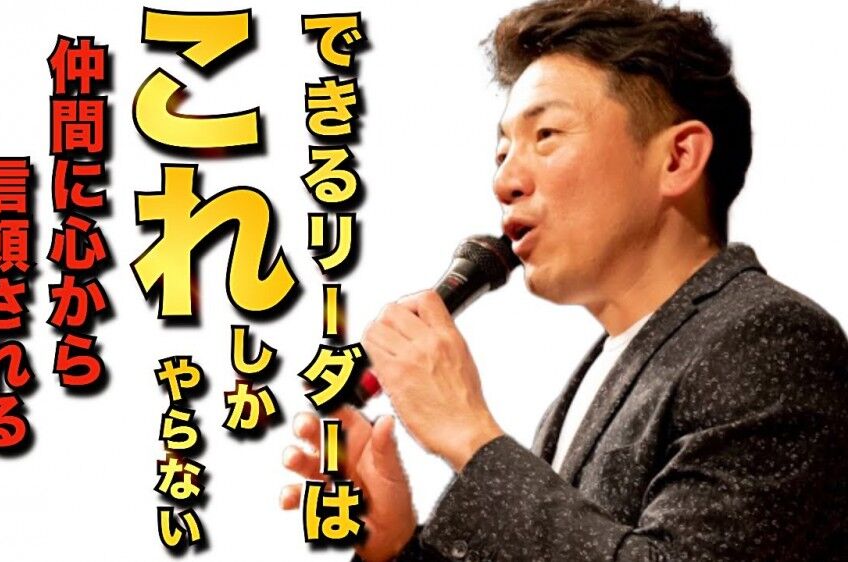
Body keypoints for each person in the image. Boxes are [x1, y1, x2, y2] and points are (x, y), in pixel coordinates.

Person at [282, 0, 848, 560]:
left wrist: (469, 436)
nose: (505, 181)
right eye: (502, 152)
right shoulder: (584, 387)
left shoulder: (770, 337)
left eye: (546, 134)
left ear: (678, 158)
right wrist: (394, 546)